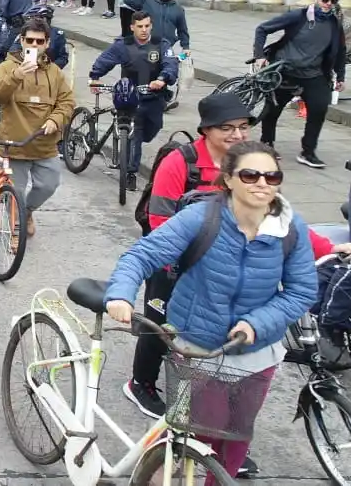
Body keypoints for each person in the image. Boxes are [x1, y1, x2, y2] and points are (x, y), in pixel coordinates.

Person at [103, 140, 318, 480]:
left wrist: (257, 323)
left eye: (272, 175)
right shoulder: (202, 218)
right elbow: (141, 256)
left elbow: (302, 290)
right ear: (228, 179)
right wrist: (121, 295)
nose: (262, 183)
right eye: (250, 174)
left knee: (235, 436)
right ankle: (152, 470)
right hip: (199, 346)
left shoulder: (290, 228)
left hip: (256, 353)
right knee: (196, 427)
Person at [0, 19, 74, 238]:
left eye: (39, 41)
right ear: (22, 41)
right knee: (14, 193)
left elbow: (67, 102)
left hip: (44, 145)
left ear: (47, 43)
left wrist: (56, 119)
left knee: (48, 185)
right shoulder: (6, 67)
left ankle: (27, 211)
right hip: (14, 145)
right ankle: (16, 229)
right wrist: (17, 76)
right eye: (29, 40)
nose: (34, 45)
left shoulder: (54, 72)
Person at [253, 0, 346, 169]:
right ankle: (267, 143)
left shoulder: (335, 24)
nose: (328, 4)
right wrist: (260, 56)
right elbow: (262, 29)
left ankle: (308, 151)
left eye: (332, 1)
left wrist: (340, 76)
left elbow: (340, 52)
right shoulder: (298, 16)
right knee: (273, 108)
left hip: (314, 74)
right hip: (285, 71)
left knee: (319, 108)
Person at [90, 10, 179, 190]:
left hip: (154, 97)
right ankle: (130, 172)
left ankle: (131, 153)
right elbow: (105, 59)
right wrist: (95, 76)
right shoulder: (124, 45)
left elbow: (171, 64)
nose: (144, 30)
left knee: (153, 129)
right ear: (132, 27)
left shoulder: (161, 44)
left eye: (147, 26)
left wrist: (162, 79)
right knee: (135, 135)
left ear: (151, 26)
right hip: (131, 97)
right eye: (139, 27)